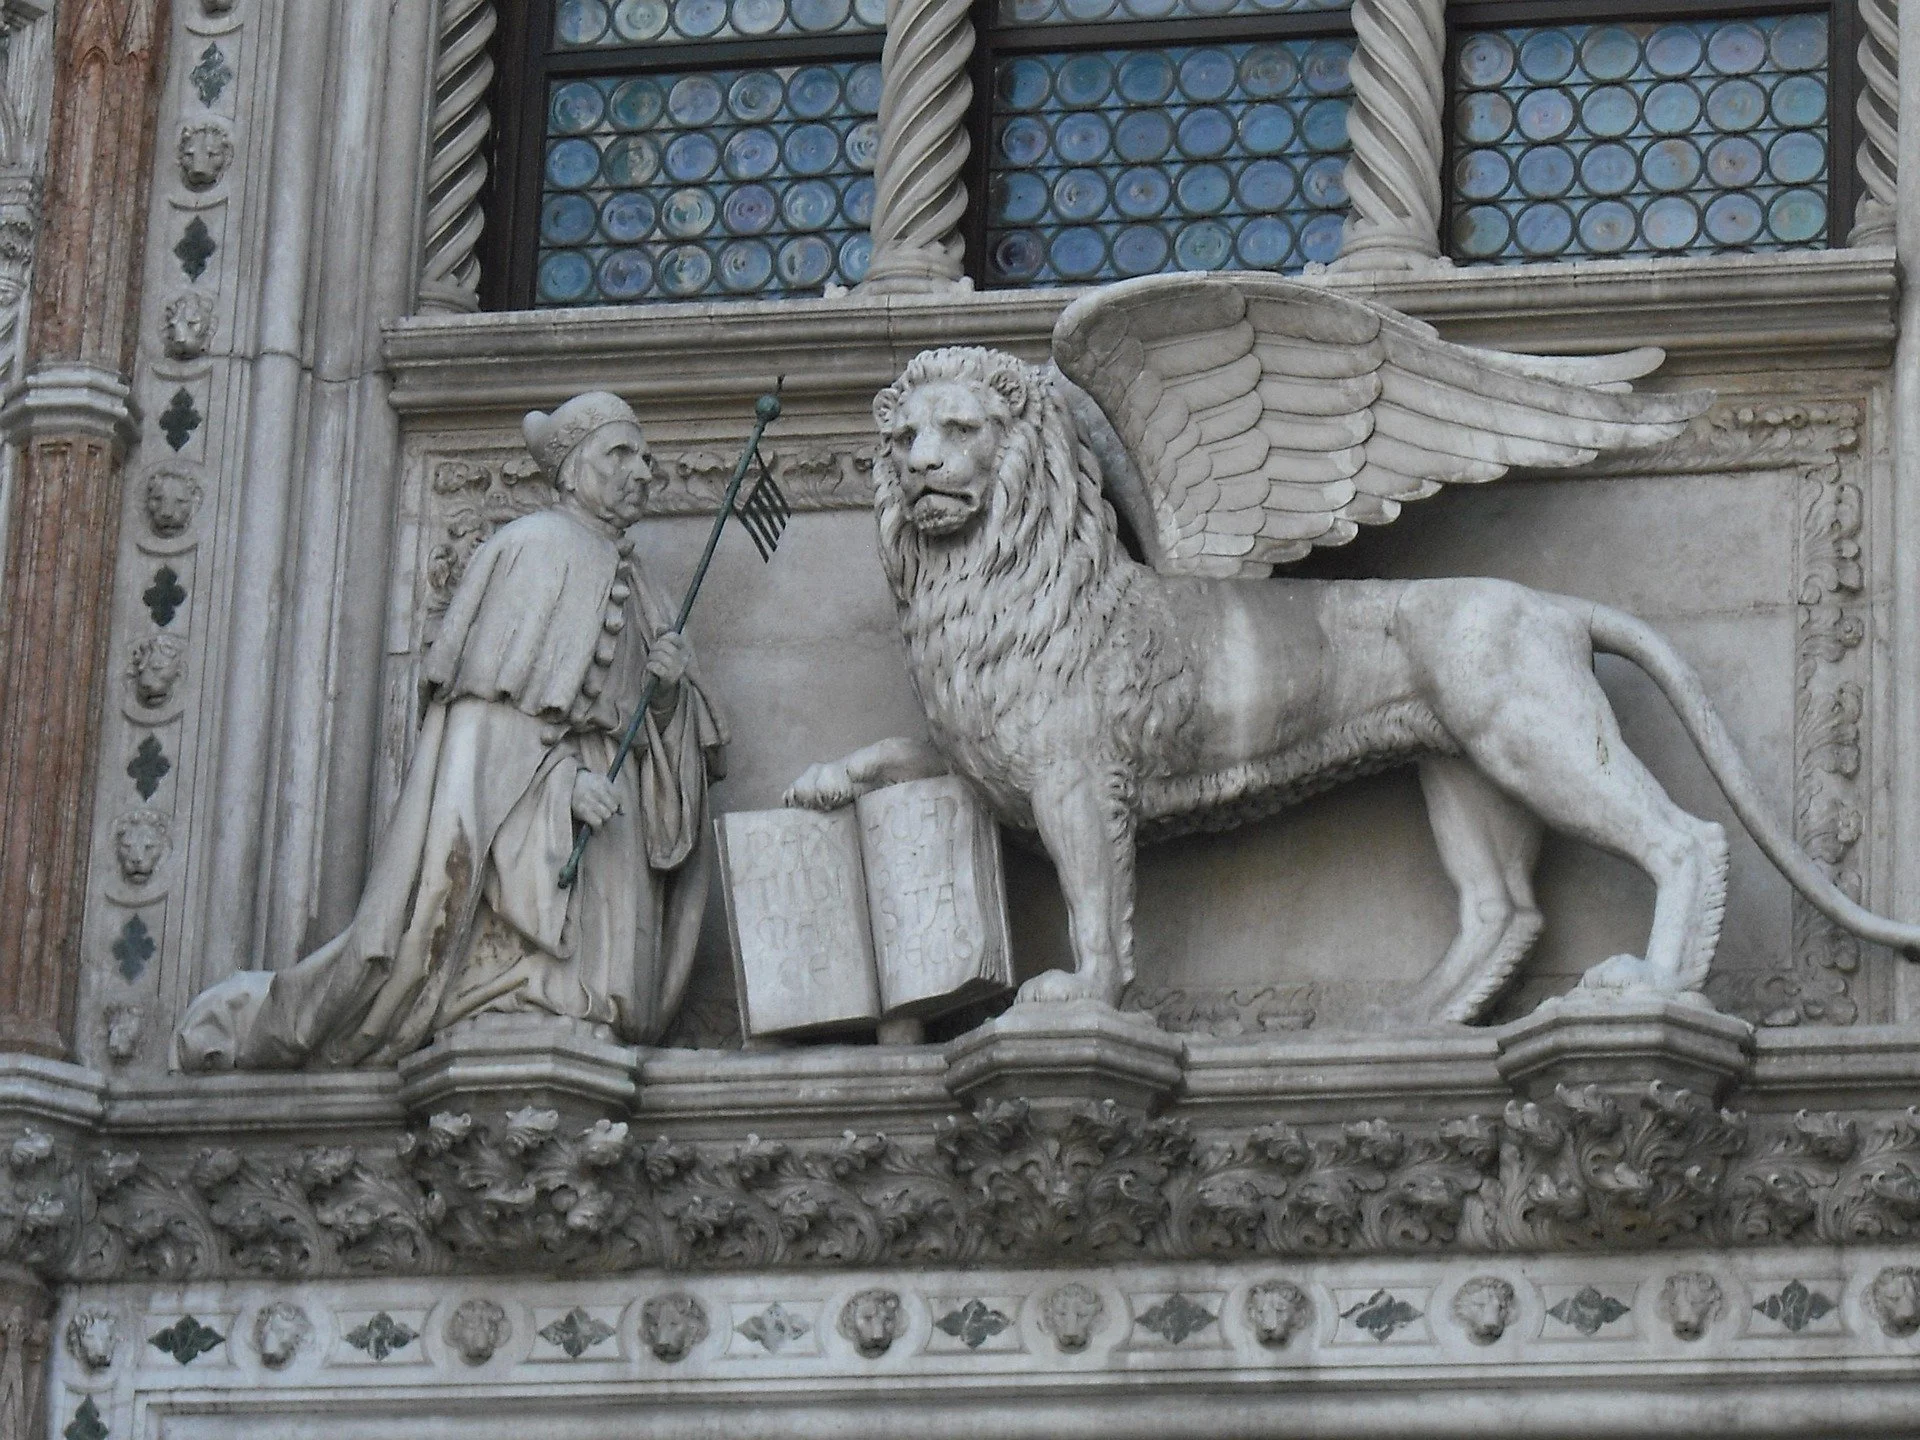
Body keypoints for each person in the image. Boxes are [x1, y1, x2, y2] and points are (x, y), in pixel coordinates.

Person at [178, 392, 726, 1069]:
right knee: (531, 986)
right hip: (549, 814)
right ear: (574, 468)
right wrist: (563, 789)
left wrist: (670, 697)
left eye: (645, 455)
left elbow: (673, 743)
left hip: (617, 824)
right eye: (621, 453)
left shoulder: (647, 585)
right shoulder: (529, 552)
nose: (643, 469)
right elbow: (482, 739)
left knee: (602, 992)